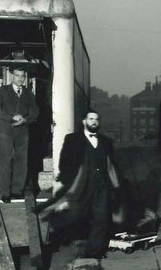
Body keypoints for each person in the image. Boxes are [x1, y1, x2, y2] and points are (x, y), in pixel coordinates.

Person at [48, 110, 122, 258]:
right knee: (75, 215)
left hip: (101, 186)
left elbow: (111, 164)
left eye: (96, 119)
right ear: (84, 121)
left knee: (102, 219)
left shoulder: (106, 141)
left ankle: (93, 253)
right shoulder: (72, 139)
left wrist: (115, 186)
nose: (94, 121)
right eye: (90, 119)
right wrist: (68, 183)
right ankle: (56, 236)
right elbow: (64, 163)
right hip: (81, 185)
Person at [0, 66, 39, 202]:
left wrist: (26, 119)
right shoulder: (2, 91)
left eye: (22, 76)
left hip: (22, 130)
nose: (20, 78)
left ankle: (17, 191)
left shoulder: (29, 94)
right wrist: (12, 117)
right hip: (4, 130)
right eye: (17, 75)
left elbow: (35, 112)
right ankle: (5, 193)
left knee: (21, 161)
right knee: (5, 161)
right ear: (12, 76)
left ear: (25, 77)